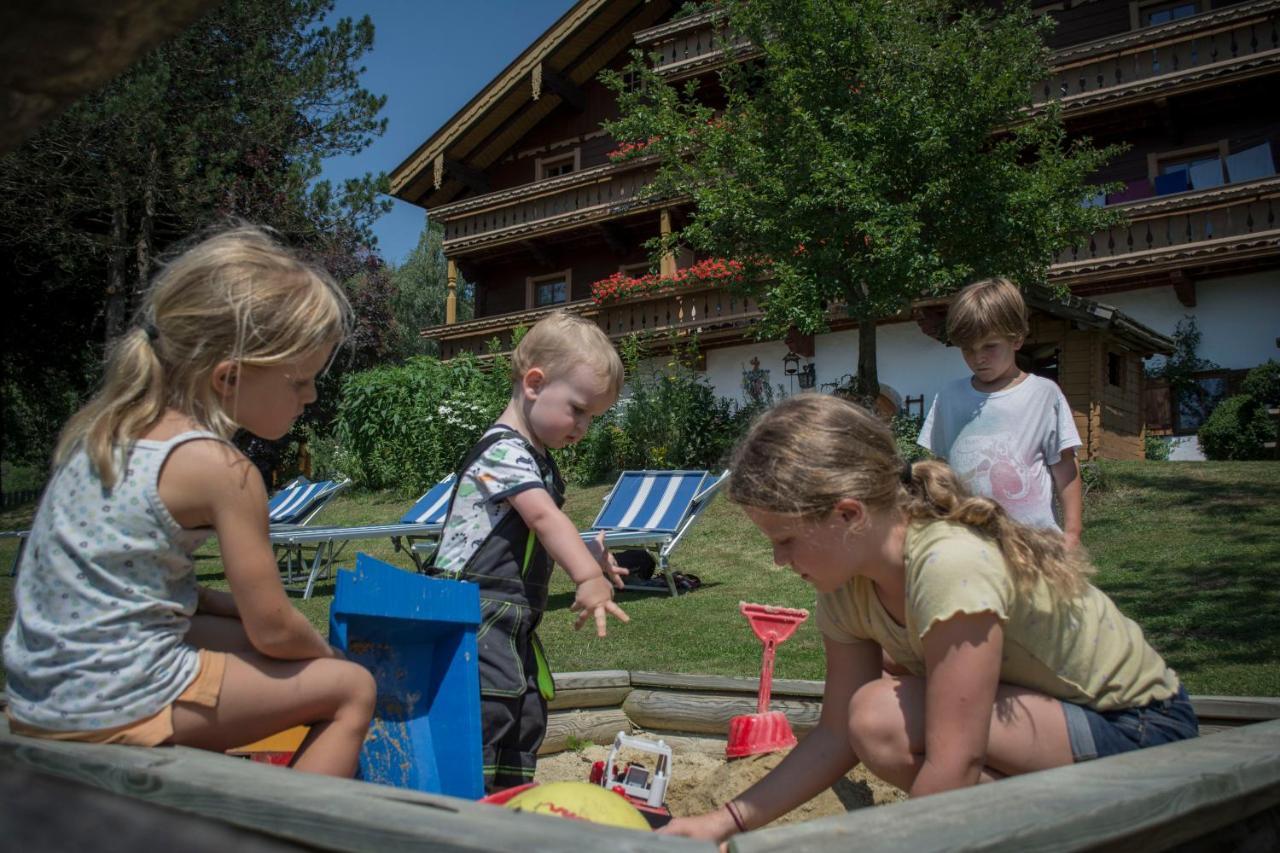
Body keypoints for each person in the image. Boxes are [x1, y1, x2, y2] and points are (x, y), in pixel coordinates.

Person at [662, 395, 1197, 843]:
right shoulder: (849, 586)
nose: (779, 559)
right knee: (870, 718)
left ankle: (1086, 833)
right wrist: (721, 823)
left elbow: (956, 761)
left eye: (785, 540)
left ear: (849, 514)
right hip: (1056, 734)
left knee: (882, 714)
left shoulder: (948, 562)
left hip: (1141, 733)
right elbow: (834, 736)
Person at [3, 225, 376, 777]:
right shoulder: (223, 471)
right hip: (110, 704)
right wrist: (329, 655)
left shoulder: (101, 436)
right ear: (229, 377)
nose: (311, 397)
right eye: (300, 382)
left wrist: (219, 606)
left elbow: (116, 578)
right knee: (350, 688)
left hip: (43, 691)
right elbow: (274, 626)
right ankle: (288, 831)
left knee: (234, 640)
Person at [428, 311, 630, 792]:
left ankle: (510, 802)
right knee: (487, 708)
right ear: (534, 383)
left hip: (513, 617)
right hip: (472, 612)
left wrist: (590, 553)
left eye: (592, 418)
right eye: (578, 409)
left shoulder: (536, 457)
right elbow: (542, 517)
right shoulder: (503, 450)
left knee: (526, 711)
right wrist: (585, 576)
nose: (583, 427)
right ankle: (465, 807)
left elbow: (537, 528)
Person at [919, 277, 1083, 550]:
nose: (978, 357)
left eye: (989, 346)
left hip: (1033, 545)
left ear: (1017, 338)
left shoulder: (1043, 395)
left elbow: (1065, 467)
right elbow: (940, 471)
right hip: (969, 545)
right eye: (967, 349)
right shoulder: (949, 397)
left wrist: (1073, 532)